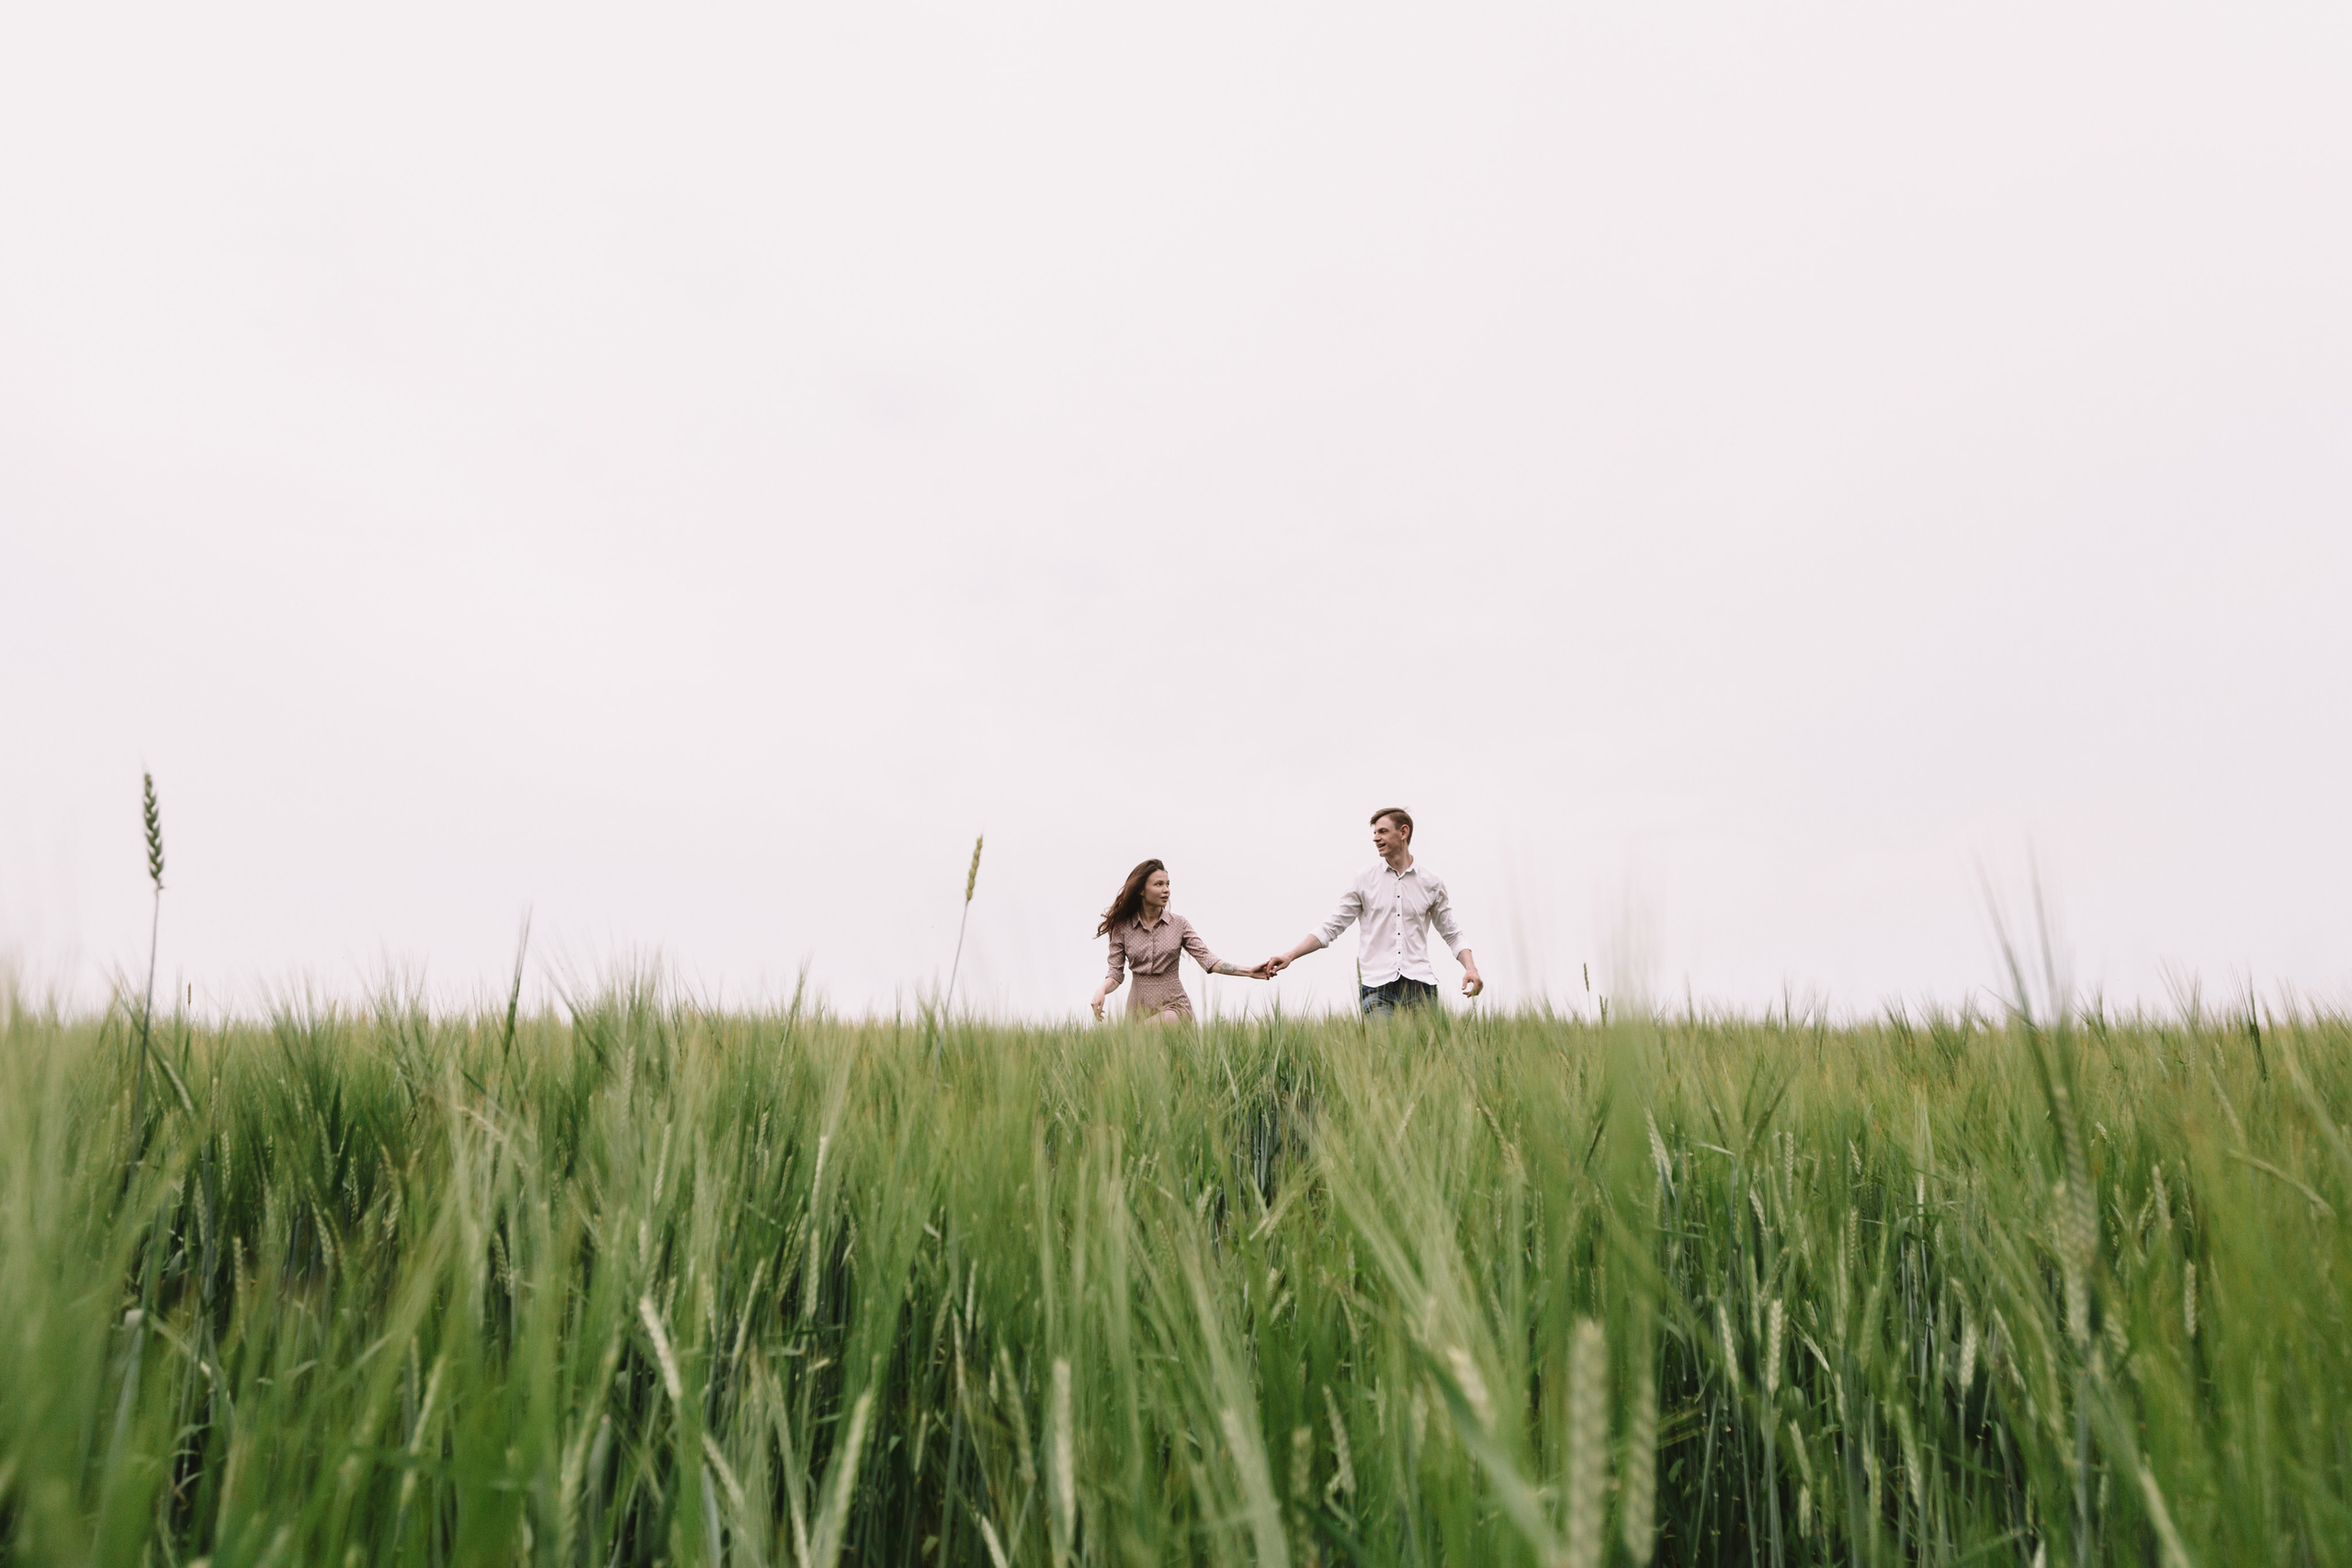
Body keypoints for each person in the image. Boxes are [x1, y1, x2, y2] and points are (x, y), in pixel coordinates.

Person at [1262, 807, 1483, 1014]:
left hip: (1420, 985)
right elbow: (1331, 928)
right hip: (1376, 987)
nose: (1375, 838)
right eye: (1375, 833)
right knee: (1382, 1051)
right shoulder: (1364, 880)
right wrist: (1289, 955)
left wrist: (1471, 968)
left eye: (1383, 832)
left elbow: (1452, 934)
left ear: (1403, 832)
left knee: (1426, 1052)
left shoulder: (1431, 882)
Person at [1091, 859, 1270, 1022]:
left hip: (1174, 1005)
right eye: (1159, 884)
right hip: (1137, 1008)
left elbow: (1208, 960)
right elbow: (1115, 973)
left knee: (1146, 1034)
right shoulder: (1122, 928)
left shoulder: (1179, 924)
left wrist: (1249, 971)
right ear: (1142, 890)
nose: (1166, 889)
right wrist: (1102, 990)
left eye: (1168, 884)